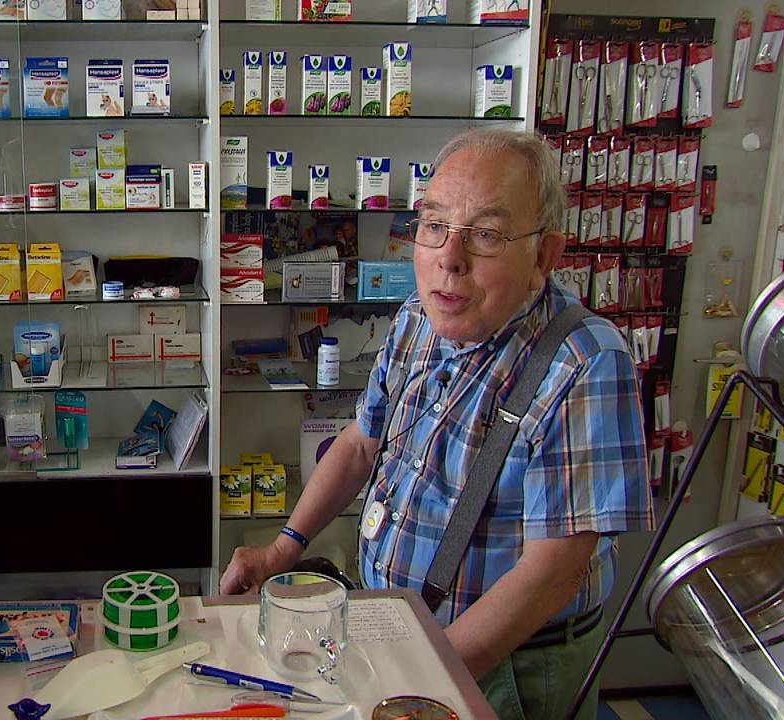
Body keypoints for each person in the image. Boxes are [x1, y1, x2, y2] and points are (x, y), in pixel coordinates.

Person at [220, 129, 653, 720]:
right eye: (434, 226)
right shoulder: (416, 321)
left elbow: (551, 574)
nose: (450, 257)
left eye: (487, 235)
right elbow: (358, 446)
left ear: (544, 257)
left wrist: (427, 674)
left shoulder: (585, 364)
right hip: (394, 632)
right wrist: (281, 549)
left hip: (503, 668)